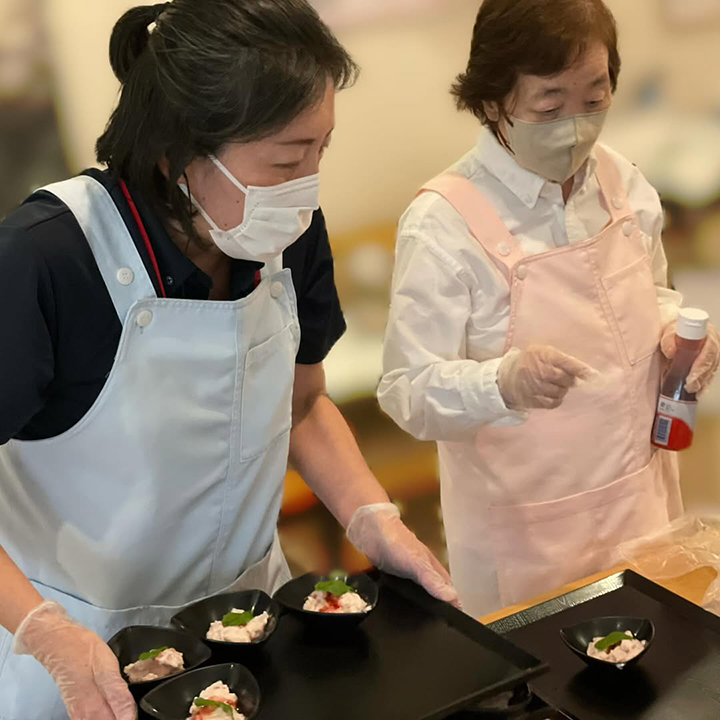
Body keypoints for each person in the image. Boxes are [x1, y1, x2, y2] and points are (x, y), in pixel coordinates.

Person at [0, 1, 458, 717]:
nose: (307, 186)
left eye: (320, 152)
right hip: (83, 654)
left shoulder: (285, 231)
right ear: (179, 152)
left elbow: (301, 403)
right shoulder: (48, 258)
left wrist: (372, 516)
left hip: (248, 632)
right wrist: (42, 629)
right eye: (286, 160)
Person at [378, 0, 720, 618]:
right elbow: (408, 391)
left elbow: (653, 293)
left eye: (594, 98)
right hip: (527, 542)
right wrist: (500, 382)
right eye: (549, 105)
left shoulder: (623, 184)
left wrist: (677, 334)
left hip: (642, 505)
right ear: (492, 101)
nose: (575, 128)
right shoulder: (442, 224)